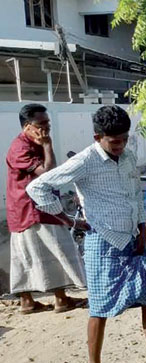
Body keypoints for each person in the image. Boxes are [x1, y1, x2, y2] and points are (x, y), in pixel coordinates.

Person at [27, 105, 146, 363]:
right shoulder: (86, 161)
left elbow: (134, 191)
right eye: (114, 141)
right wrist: (65, 217)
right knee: (99, 307)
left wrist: (142, 226)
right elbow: (38, 188)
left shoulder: (127, 157)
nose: (121, 145)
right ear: (97, 137)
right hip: (102, 242)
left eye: (124, 138)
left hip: (131, 239)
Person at [6, 104, 86, 314]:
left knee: (28, 255)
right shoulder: (20, 149)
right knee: (54, 249)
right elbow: (48, 173)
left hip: (30, 209)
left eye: (47, 122)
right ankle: (59, 299)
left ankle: (29, 302)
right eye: (41, 124)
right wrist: (48, 145)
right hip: (32, 209)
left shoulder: (32, 144)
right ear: (27, 126)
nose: (46, 127)